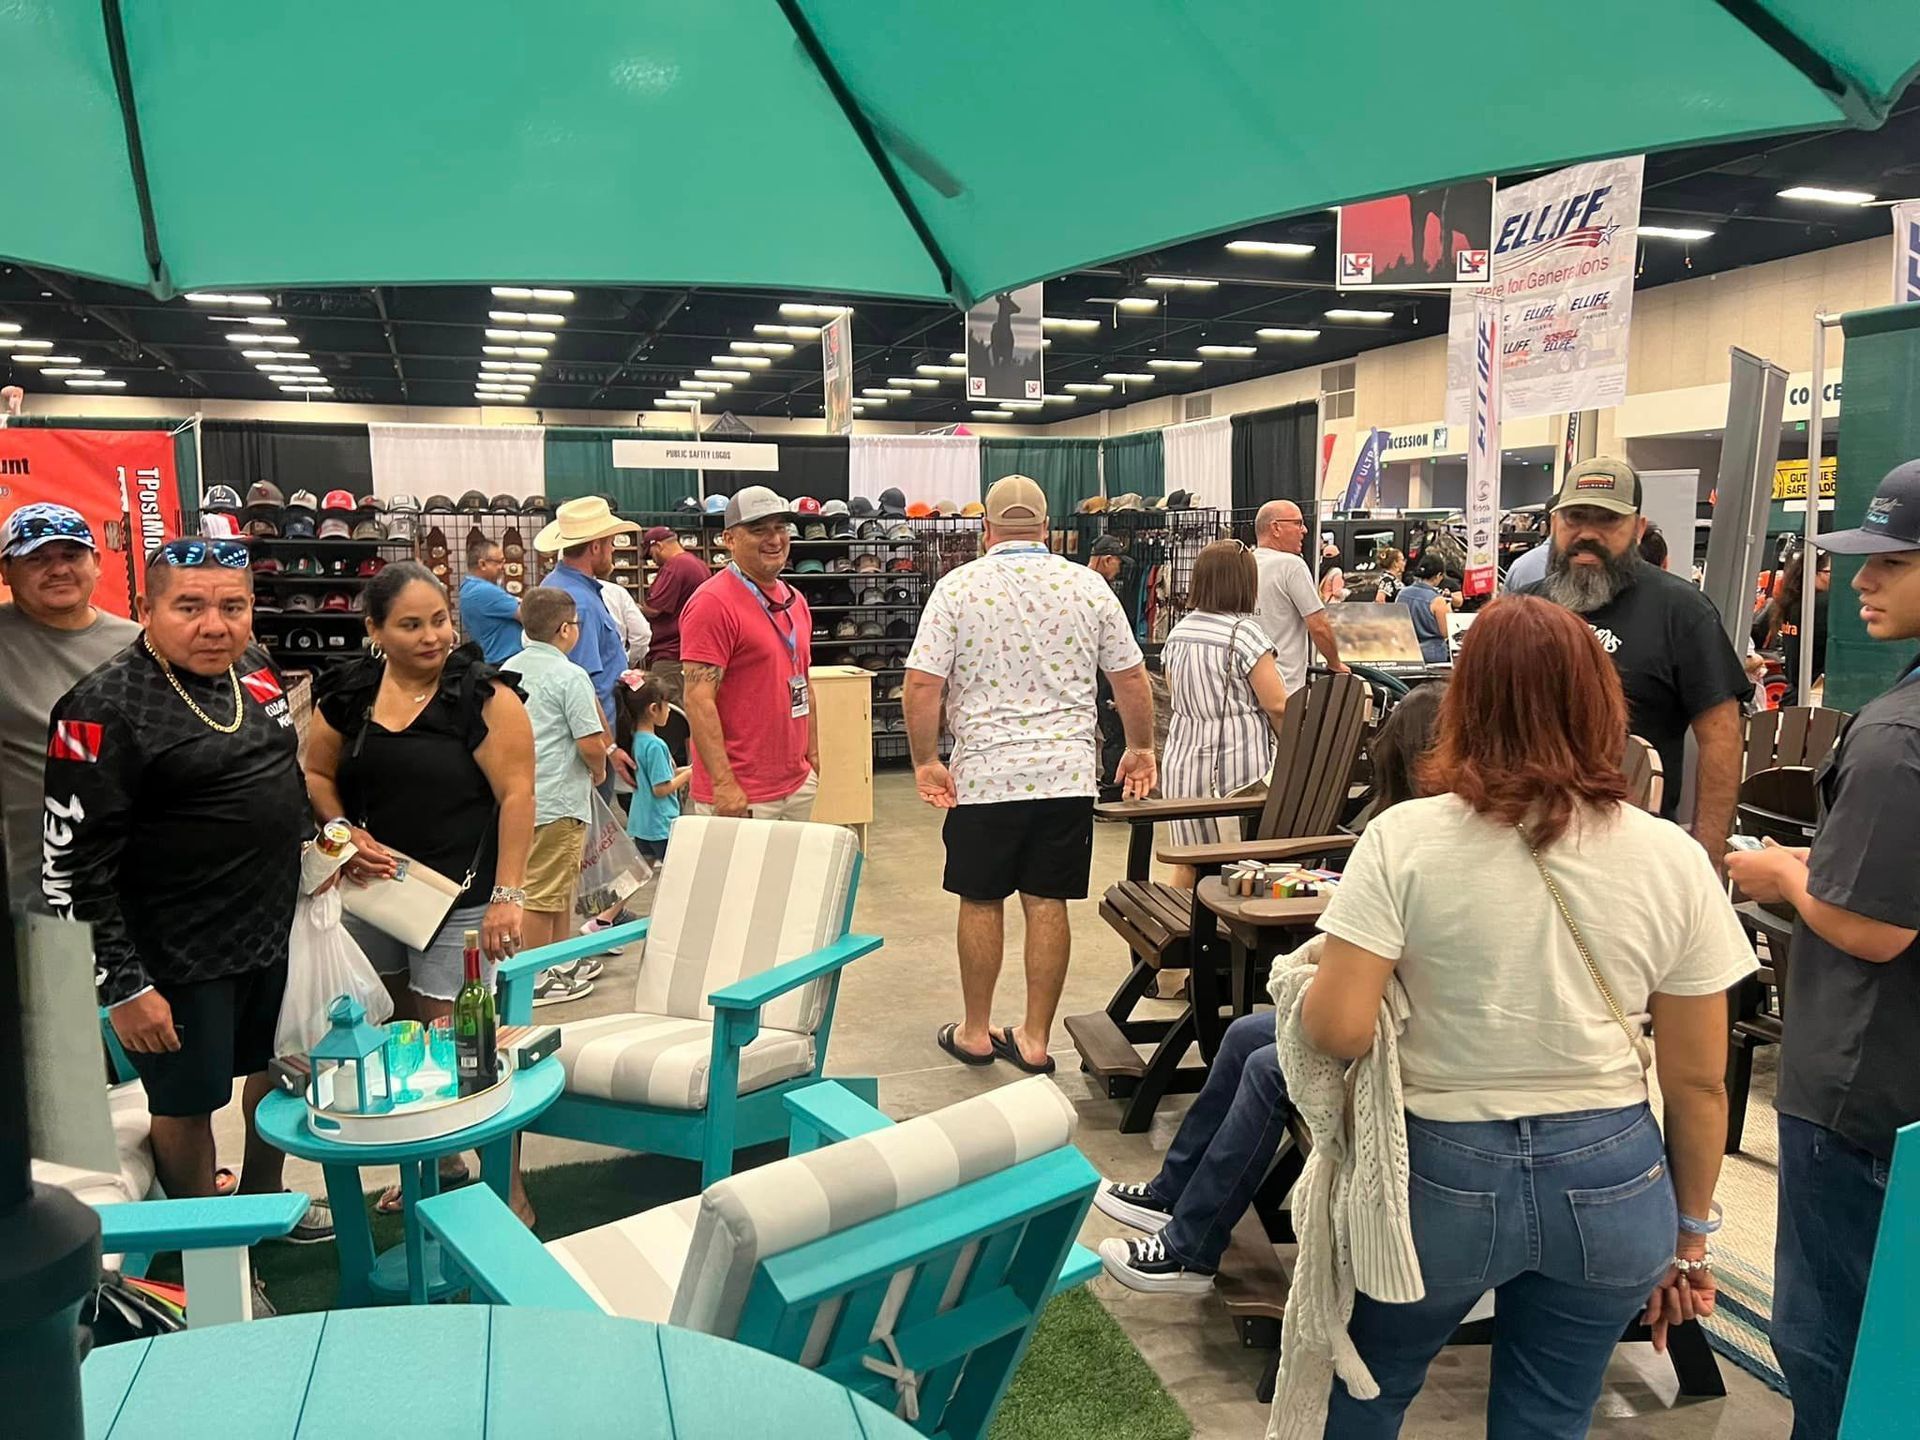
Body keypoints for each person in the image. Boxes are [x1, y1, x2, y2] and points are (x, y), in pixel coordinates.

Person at [1296, 596, 1755, 1437]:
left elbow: (1338, 1030)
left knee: (1370, 1386)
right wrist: (1690, 1237)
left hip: (1439, 1169)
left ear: (1465, 702)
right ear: (1603, 703)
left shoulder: (1404, 839)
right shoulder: (1672, 858)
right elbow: (1698, 1083)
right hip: (1614, 1176)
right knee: (1551, 1413)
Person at [1095, 683, 1447, 1294]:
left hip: (1413, 1033)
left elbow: (1350, 1013)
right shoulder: (1423, 835)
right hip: (1396, 1007)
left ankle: (1191, 1250)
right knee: (1245, 1035)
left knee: (1270, 1062)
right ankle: (1172, 1193)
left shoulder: (1419, 842)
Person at [44, 539, 327, 1247]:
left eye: (233, 607)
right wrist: (123, 985)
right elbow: (70, 864)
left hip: (274, 933)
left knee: (281, 1072)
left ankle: (263, 1201)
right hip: (174, 956)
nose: (214, 626)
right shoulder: (96, 709)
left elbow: (282, 778)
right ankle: (211, 1255)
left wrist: (328, 843)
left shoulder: (254, 668)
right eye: (190, 607)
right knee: (185, 1103)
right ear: (146, 608)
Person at [1725, 459, 1920, 1440]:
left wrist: (1788, 878)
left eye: (1894, 561)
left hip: (1860, 1094)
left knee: (1836, 1347)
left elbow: (1874, 927)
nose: (1861, 580)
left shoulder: (1895, 735)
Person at [305, 562, 538, 1219]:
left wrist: (509, 896)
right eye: (410, 625)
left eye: (439, 620)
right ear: (374, 629)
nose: (432, 636)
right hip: (372, 894)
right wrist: (343, 832)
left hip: (461, 900)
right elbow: (317, 773)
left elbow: (518, 795)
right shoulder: (349, 694)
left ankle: (509, 1192)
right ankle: (435, 1162)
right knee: (395, 1036)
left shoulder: (482, 696)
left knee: (463, 1044)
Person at [905, 474, 1157, 1075]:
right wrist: (1141, 747)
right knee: (1048, 901)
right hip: (1064, 774)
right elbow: (1129, 676)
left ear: (986, 529)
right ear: (1045, 527)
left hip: (985, 774)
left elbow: (922, 683)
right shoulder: (1088, 586)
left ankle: (975, 1031)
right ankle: (1036, 1039)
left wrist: (925, 760)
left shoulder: (957, 588)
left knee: (981, 898)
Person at [1520, 457, 1749, 856]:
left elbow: (1721, 738)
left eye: (1608, 520)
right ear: (1554, 523)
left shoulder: (1682, 611)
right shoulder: (1529, 607)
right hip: (1527, 839)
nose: (1587, 534)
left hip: (1636, 851)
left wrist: (1708, 856)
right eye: (1575, 517)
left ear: (1639, 529)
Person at [0, 503, 139, 911]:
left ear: (96, 563)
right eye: (37, 558)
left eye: (71, 555)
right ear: (5, 571)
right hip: (35, 888)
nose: (58, 569)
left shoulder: (139, 646)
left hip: (133, 876)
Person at [679, 486, 819, 820]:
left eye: (780, 528)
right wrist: (723, 783)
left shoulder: (794, 600)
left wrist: (812, 756)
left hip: (797, 784)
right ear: (729, 539)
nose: (774, 539)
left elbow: (803, 681)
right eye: (758, 530)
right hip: (741, 793)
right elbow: (698, 701)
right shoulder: (712, 604)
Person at [500, 587, 608, 1007]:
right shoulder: (570, 675)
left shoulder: (508, 669)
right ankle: (534, 976)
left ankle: (560, 960)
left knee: (556, 887)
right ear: (565, 629)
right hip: (559, 797)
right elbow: (590, 741)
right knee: (542, 896)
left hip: (520, 797)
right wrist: (600, 770)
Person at [1158, 541, 1288, 887]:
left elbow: (1175, 693)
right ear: (1244, 582)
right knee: (1241, 868)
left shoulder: (1179, 632)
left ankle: (1179, 920)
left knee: (1188, 861)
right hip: (1237, 771)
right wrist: (1293, 746)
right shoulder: (1243, 633)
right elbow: (1276, 704)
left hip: (1182, 766)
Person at [535, 497, 639, 793]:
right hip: (589, 743)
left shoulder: (557, 585)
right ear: (595, 547)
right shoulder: (580, 603)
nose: (613, 551)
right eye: (610, 544)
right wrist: (607, 748)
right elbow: (582, 687)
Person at [1251, 499, 1348, 695]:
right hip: (1284, 687)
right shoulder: (1292, 565)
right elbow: (1318, 625)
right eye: (1298, 523)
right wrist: (1335, 663)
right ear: (1276, 528)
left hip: (1249, 684)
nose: (1304, 530)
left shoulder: (1246, 563)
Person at [621, 674, 690, 864]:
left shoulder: (636, 740)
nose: (669, 710)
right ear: (653, 709)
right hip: (660, 824)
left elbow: (658, 775)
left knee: (645, 872)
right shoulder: (656, 745)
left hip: (641, 824)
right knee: (674, 869)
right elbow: (661, 788)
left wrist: (686, 770)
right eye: (666, 705)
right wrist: (688, 775)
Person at [1087, 534, 1136, 802]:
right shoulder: (1100, 593)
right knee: (1114, 734)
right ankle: (1112, 794)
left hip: (1087, 672)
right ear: (1107, 560)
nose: (1119, 568)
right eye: (1117, 561)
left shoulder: (1078, 586)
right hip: (1103, 674)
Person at [638, 525, 710, 703]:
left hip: (670, 655)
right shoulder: (699, 564)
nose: (653, 562)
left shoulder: (675, 566)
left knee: (670, 711)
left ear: (658, 546)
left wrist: (631, 608)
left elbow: (655, 609)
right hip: (691, 651)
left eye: (651, 555)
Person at [1764, 548, 1831, 706]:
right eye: (1829, 572)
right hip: (1814, 694)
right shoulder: (1822, 604)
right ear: (1814, 573)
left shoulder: (1791, 603)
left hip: (1793, 692)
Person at [459, 537, 523, 664]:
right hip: (505, 662)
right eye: (498, 562)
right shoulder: (483, 590)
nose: (503, 567)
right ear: (482, 564)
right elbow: (530, 616)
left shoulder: (469, 587)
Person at [1397, 554, 1452, 665]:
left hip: (1406, 650)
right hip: (1432, 654)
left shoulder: (1402, 593)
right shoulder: (1437, 600)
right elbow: (1446, 632)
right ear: (1438, 575)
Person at [599, 573, 651, 667]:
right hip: (614, 666)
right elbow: (642, 634)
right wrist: (628, 660)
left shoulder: (569, 591)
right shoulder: (616, 591)